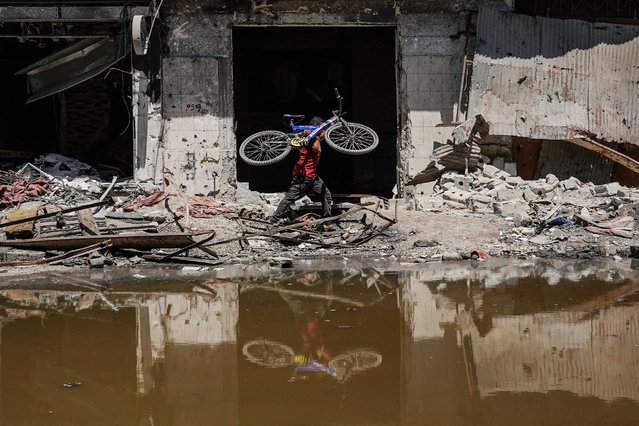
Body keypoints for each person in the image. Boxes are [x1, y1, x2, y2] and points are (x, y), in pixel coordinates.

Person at [270, 116, 333, 224]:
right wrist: (313, 135)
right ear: (316, 127)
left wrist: (329, 126)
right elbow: (318, 149)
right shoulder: (309, 138)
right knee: (291, 197)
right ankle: (274, 219)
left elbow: (323, 136)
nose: (324, 131)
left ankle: (327, 221)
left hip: (312, 175)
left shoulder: (313, 137)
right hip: (303, 175)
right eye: (322, 128)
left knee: (326, 195)